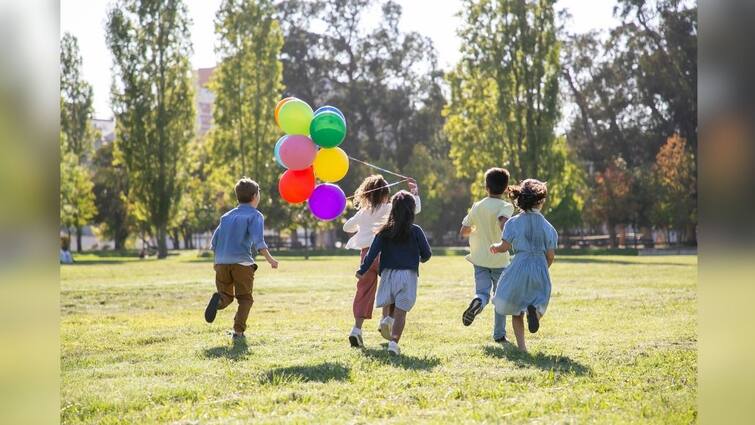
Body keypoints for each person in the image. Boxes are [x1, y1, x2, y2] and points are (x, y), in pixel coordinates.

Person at [343, 175, 421, 348]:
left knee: (363, 292)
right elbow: (414, 210)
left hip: (366, 256)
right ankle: (386, 320)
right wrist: (414, 192)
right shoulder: (389, 208)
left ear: (367, 194)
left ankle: (356, 329)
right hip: (385, 254)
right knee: (391, 288)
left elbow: (346, 227)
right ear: (386, 194)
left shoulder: (363, 212)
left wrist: (362, 226)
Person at [356, 191, 431, 355]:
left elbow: (372, 253)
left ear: (393, 209)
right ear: (411, 211)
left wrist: (362, 270)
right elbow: (427, 254)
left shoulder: (383, 231)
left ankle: (387, 319)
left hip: (388, 275)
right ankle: (394, 343)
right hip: (408, 275)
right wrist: (420, 259)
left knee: (391, 303)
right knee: (401, 312)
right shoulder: (416, 231)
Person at [204, 177, 279, 339]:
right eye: (259, 193)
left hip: (221, 263)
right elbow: (259, 242)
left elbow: (214, 242)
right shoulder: (255, 215)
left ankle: (218, 301)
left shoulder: (226, 217)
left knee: (226, 296)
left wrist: (216, 263)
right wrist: (271, 260)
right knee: (245, 299)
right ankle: (238, 332)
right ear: (254, 196)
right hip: (242, 263)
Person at [490, 179, 557, 352]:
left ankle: (522, 348)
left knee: (515, 309)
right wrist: (543, 268)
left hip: (519, 266)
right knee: (539, 302)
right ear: (540, 201)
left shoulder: (512, 223)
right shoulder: (548, 227)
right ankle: (534, 313)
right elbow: (550, 255)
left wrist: (495, 248)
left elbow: (504, 247)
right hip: (540, 266)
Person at [459, 168, 515, 343]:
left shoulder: (477, 206)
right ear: (506, 189)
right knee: (500, 298)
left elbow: (464, 231)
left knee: (482, 293)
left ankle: (478, 302)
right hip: (499, 259)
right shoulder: (506, 206)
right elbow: (503, 222)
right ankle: (499, 334)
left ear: (486, 187)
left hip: (479, 259)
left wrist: (476, 230)